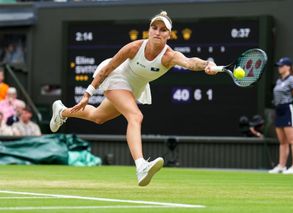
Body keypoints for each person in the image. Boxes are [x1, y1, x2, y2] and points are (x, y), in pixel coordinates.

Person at [50, 11, 218, 186]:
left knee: (98, 117)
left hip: (134, 88)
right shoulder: (134, 47)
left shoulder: (170, 57)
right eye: (154, 28)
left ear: (169, 35)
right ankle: (141, 166)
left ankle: (62, 112)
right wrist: (87, 94)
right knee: (135, 116)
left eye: (162, 30)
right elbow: (107, 69)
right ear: (149, 30)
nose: (157, 32)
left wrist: (207, 64)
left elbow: (191, 62)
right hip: (115, 77)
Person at [269, 57, 293, 175]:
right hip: (279, 110)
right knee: (282, 141)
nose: (279, 67)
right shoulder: (279, 81)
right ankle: (281, 166)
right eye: (279, 65)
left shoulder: (292, 80)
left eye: (282, 65)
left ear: (288, 67)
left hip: (289, 109)